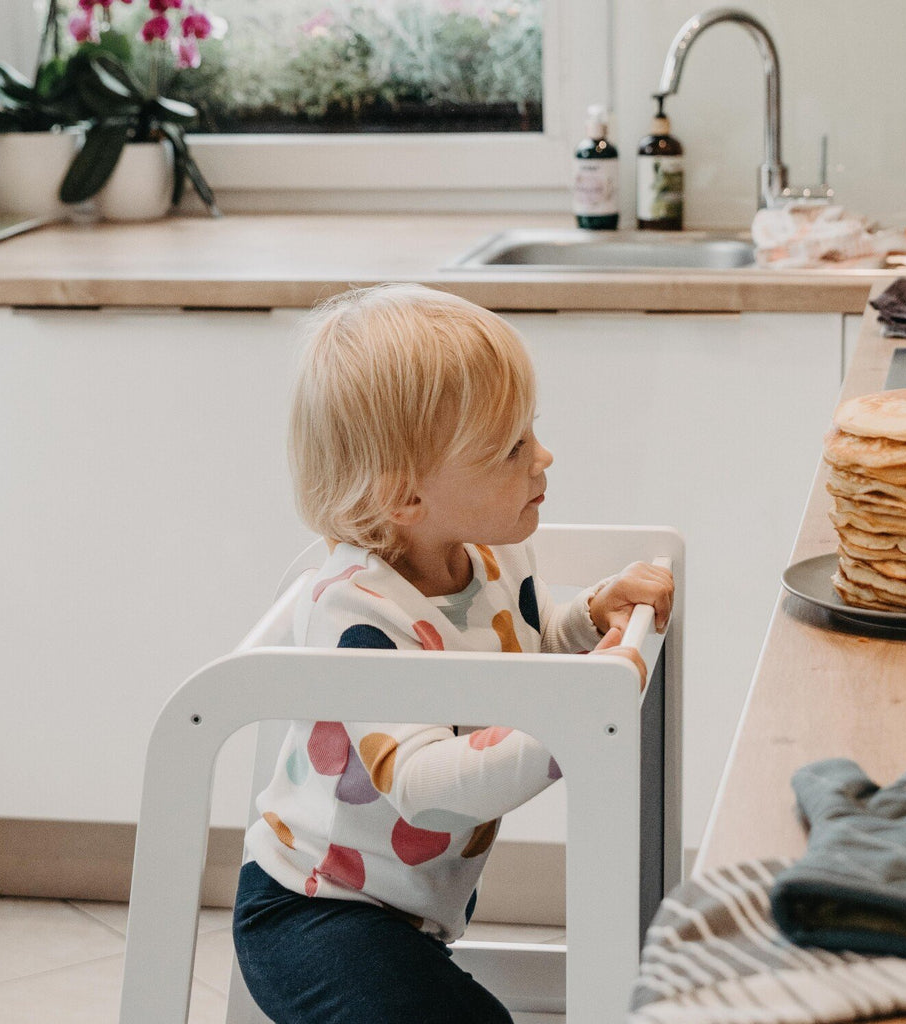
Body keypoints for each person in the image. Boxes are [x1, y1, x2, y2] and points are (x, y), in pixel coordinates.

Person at [233, 283, 674, 1024]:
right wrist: (577, 717)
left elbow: (513, 651)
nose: (544, 456)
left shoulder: (490, 556)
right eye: (512, 448)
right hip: (312, 915)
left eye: (532, 430)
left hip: (404, 915)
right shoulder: (355, 610)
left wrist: (587, 617)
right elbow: (425, 781)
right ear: (407, 499)